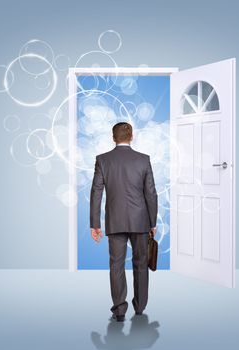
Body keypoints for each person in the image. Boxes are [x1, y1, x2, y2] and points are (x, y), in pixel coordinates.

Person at [90, 122, 158, 322]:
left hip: (115, 220)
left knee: (116, 265)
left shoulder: (102, 160)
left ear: (113, 137)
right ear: (132, 136)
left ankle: (119, 311)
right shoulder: (143, 160)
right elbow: (151, 194)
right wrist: (152, 222)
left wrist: (95, 224)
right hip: (140, 220)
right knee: (140, 264)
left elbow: (96, 192)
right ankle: (140, 307)